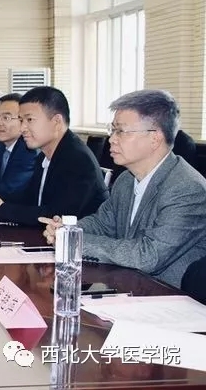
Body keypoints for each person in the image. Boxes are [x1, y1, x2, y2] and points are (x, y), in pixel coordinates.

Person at [41, 90, 206, 288]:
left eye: (121, 131)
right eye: (112, 130)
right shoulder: (126, 179)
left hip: (167, 295)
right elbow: (103, 223)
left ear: (155, 138)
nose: (111, 139)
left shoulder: (187, 189)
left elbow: (148, 256)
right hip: (128, 287)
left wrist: (73, 241)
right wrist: (67, 230)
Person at [0, 86, 107, 226]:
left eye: (29, 120)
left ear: (56, 122)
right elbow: (31, 199)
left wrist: (0, 210)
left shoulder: (77, 160)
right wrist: (0, 202)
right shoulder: (44, 156)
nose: (23, 128)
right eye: (21, 120)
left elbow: (57, 216)